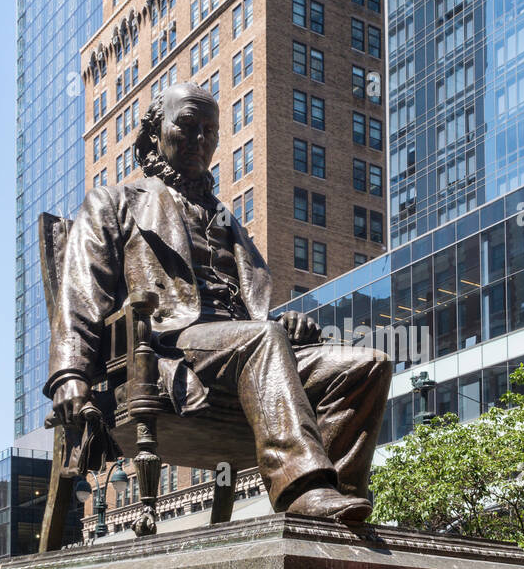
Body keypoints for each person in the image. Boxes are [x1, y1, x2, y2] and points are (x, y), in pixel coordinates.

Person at [47, 82, 392, 525]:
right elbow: (81, 292)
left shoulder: (224, 218)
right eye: (188, 126)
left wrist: (285, 323)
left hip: (248, 350)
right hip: (169, 349)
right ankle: (305, 490)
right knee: (261, 339)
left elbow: (254, 311)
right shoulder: (114, 202)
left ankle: (335, 512)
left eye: (210, 131)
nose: (201, 140)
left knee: (367, 364)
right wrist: (70, 375)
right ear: (154, 135)